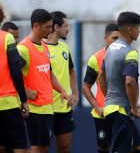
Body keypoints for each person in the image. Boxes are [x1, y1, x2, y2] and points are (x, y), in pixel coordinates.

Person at [17, 8, 69, 153]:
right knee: (37, 148)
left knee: (44, 148)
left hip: (48, 107)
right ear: (35, 26)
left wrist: (62, 91)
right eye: (47, 27)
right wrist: (25, 93)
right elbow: (10, 75)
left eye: (52, 26)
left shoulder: (44, 46)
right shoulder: (23, 49)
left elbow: (49, 73)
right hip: (34, 109)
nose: (51, 30)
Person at [97, 12, 140, 153]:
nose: (139, 31)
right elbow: (130, 82)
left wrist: (109, 97)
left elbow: (101, 76)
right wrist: (133, 108)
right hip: (122, 110)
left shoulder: (110, 49)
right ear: (130, 30)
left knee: (139, 146)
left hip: (111, 108)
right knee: (122, 150)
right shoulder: (130, 52)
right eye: (137, 28)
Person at [43, 11, 78, 153]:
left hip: (64, 107)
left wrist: (75, 93)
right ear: (56, 27)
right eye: (66, 26)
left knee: (65, 148)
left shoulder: (64, 47)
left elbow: (71, 71)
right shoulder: (40, 47)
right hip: (45, 108)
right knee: (42, 148)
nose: (68, 29)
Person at [82, 23, 119, 153]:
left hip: (122, 111)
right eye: (114, 38)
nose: (116, 42)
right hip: (103, 113)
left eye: (119, 39)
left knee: (125, 146)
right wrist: (97, 107)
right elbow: (86, 87)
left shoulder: (127, 55)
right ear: (105, 38)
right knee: (103, 147)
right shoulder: (96, 58)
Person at [0, 4, 29, 153]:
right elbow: (16, 70)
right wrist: (23, 99)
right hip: (8, 103)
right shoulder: (6, 37)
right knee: (18, 146)